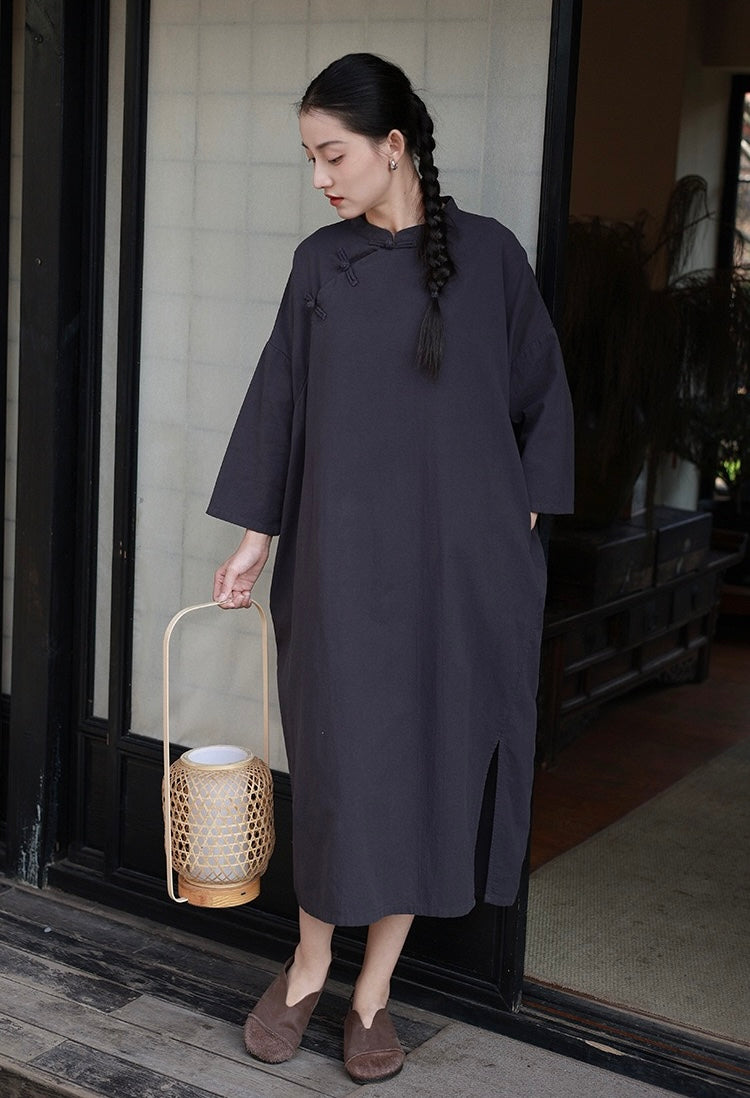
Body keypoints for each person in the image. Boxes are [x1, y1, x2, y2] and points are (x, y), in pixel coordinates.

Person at [208, 53, 574, 1084]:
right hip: (338, 565)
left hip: (458, 574)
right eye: (310, 157)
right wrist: (255, 536)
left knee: (430, 764)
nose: (320, 177)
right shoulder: (320, 266)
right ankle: (307, 967)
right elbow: (279, 400)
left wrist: (520, 506)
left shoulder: (492, 258)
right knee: (341, 767)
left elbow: (543, 394)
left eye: (334, 154)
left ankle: (372, 995)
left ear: (394, 145)